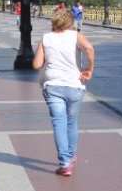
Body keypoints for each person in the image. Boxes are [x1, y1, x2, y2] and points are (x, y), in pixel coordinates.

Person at [33, 10, 95, 177]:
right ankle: (72, 155)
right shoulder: (76, 36)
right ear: (70, 22)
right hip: (74, 85)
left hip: (53, 85)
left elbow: (37, 64)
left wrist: (47, 56)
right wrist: (89, 69)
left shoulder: (46, 38)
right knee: (72, 122)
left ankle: (65, 163)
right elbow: (89, 48)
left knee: (58, 123)